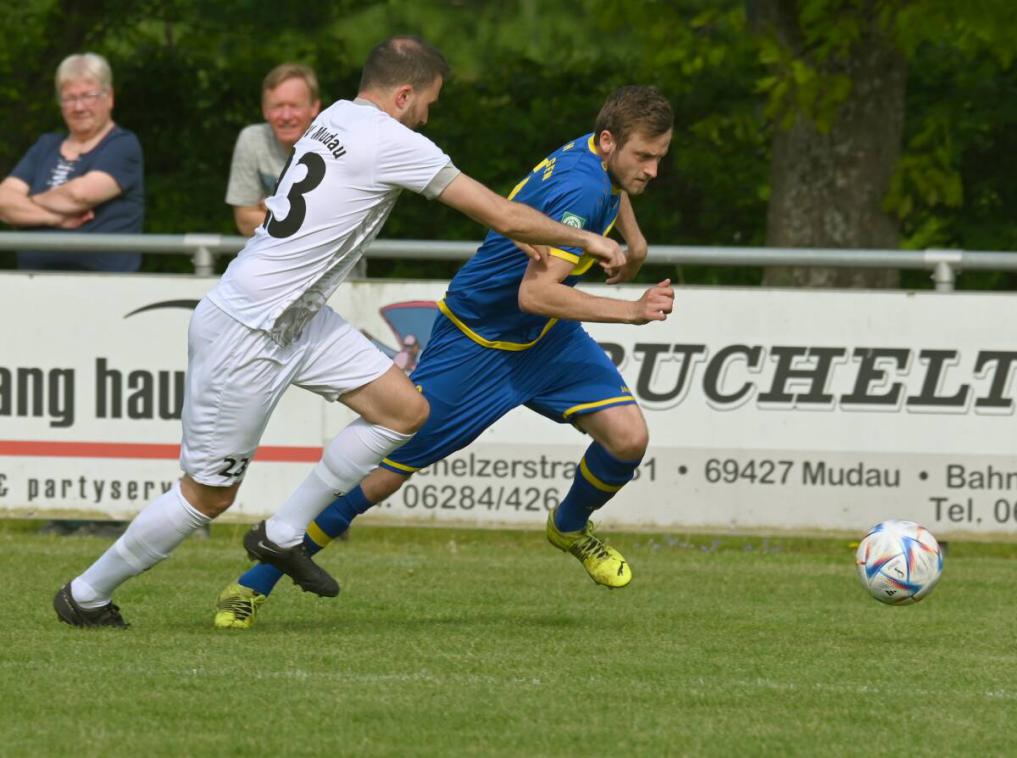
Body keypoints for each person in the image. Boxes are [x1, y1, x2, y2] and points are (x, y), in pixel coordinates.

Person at [53, 35, 626, 629]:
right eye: (428, 102)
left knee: (404, 410)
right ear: (403, 94)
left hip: (297, 318)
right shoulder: (392, 140)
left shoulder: (336, 117)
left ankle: (281, 533)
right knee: (207, 498)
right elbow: (500, 211)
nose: (429, 116)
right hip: (248, 328)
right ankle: (87, 595)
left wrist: (528, 232)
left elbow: (498, 218)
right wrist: (587, 238)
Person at [213, 85, 674, 630]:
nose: (651, 171)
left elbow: (613, 193)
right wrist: (633, 311)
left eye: (659, 158)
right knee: (380, 476)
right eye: (643, 157)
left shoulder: (596, 158)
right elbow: (536, 293)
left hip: (546, 340)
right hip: (477, 342)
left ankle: (569, 527)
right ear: (609, 142)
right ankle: (251, 586)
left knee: (628, 438)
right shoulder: (580, 188)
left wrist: (635, 244)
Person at [0, 52, 144, 272]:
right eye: (69, 98)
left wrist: (26, 202)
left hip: (102, 286)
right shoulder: (45, 145)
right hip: (32, 283)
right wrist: (55, 218)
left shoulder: (122, 145)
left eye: (88, 96)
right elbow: (3, 201)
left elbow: (78, 195)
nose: (79, 107)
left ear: (110, 97)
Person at [226, 63, 321, 238]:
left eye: (294, 106)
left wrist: (272, 211)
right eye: (277, 106)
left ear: (314, 108)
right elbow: (245, 221)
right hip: (274, 264)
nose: (285, 116)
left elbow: (337, 226)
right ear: (264, 110)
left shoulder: (334, 145)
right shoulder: (253, 140)